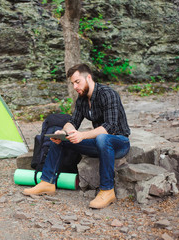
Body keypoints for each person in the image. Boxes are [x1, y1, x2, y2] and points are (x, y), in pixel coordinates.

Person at [23, 63, 131, 209]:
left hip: (119, 143)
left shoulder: (108, 94)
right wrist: (64, 132)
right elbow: (72, 122)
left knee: (102, 138)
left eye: (77, 82)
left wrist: (83, 136)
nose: (75, 86)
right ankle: (47, 182)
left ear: (89, 78)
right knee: (60, 139)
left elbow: (109, 127)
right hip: (99, 144)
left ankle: (107, 190)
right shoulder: (82, 99)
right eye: (73, 83)